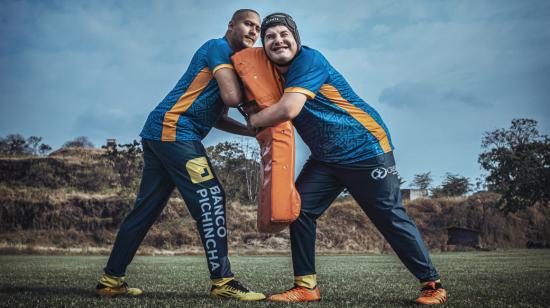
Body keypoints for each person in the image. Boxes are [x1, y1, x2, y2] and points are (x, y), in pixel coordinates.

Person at [246, 13, 448, 304]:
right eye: (270, 36)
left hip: (365, 149)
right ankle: (306, 286)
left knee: (389, 216)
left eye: (283, 34)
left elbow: (288, 109)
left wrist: (254, 121)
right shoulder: (269, 71)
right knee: (299, 210)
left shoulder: (308, 60)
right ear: (263, 45)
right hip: (326, 158)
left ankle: (433, 285)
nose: (278, 40)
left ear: (296, 38)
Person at [94, 9, 266, 301]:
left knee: (146, 209)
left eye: (258, 28)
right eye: (248, 24)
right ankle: (223, 280)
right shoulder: (217, 48)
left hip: (161, 132)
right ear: (231, 25)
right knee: (211, 196)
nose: (254, 31)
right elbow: (232, 98)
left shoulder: (231, 63)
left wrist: (252, 133)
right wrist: (256, 98)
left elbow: (218, 115)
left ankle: (110, 280)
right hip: (175, 131)